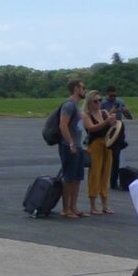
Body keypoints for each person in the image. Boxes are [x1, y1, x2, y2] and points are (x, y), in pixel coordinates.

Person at [82, 90, 118, 215]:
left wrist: (113, 122)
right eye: (95, 101)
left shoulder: (104, 112)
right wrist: (106, 122)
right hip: (95, 145)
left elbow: (112, 127)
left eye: (100, 100)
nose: (98, 103)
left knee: (105, 173)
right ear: (89, 102)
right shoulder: (86, 115)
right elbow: (91, 128)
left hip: (107, 144)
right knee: (95, 174)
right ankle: (92, 206)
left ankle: (105, 204)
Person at [57, 79, 87, 218]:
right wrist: (70, 143)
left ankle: (73, 206)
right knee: (69, 178)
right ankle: (65, 209)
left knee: (77, 177)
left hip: (78, 146)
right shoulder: (69, 105)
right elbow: (63, 125)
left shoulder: (76, 106)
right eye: (83, 87)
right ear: (76, 89)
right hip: (69, 146)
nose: (84, 90)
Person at [103, 86, 133, 189]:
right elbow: (101, 118)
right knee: (107, 158)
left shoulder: (120, 101)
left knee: (116, 158)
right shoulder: (102, 103)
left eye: (115, 95)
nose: (113, 97)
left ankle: (113, 182)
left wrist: (126, 111)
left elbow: (129, 117)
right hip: (107, 131)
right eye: (111, 95)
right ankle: (104, 179)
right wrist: (111, 111)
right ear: (107, 94)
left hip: (118, 130)